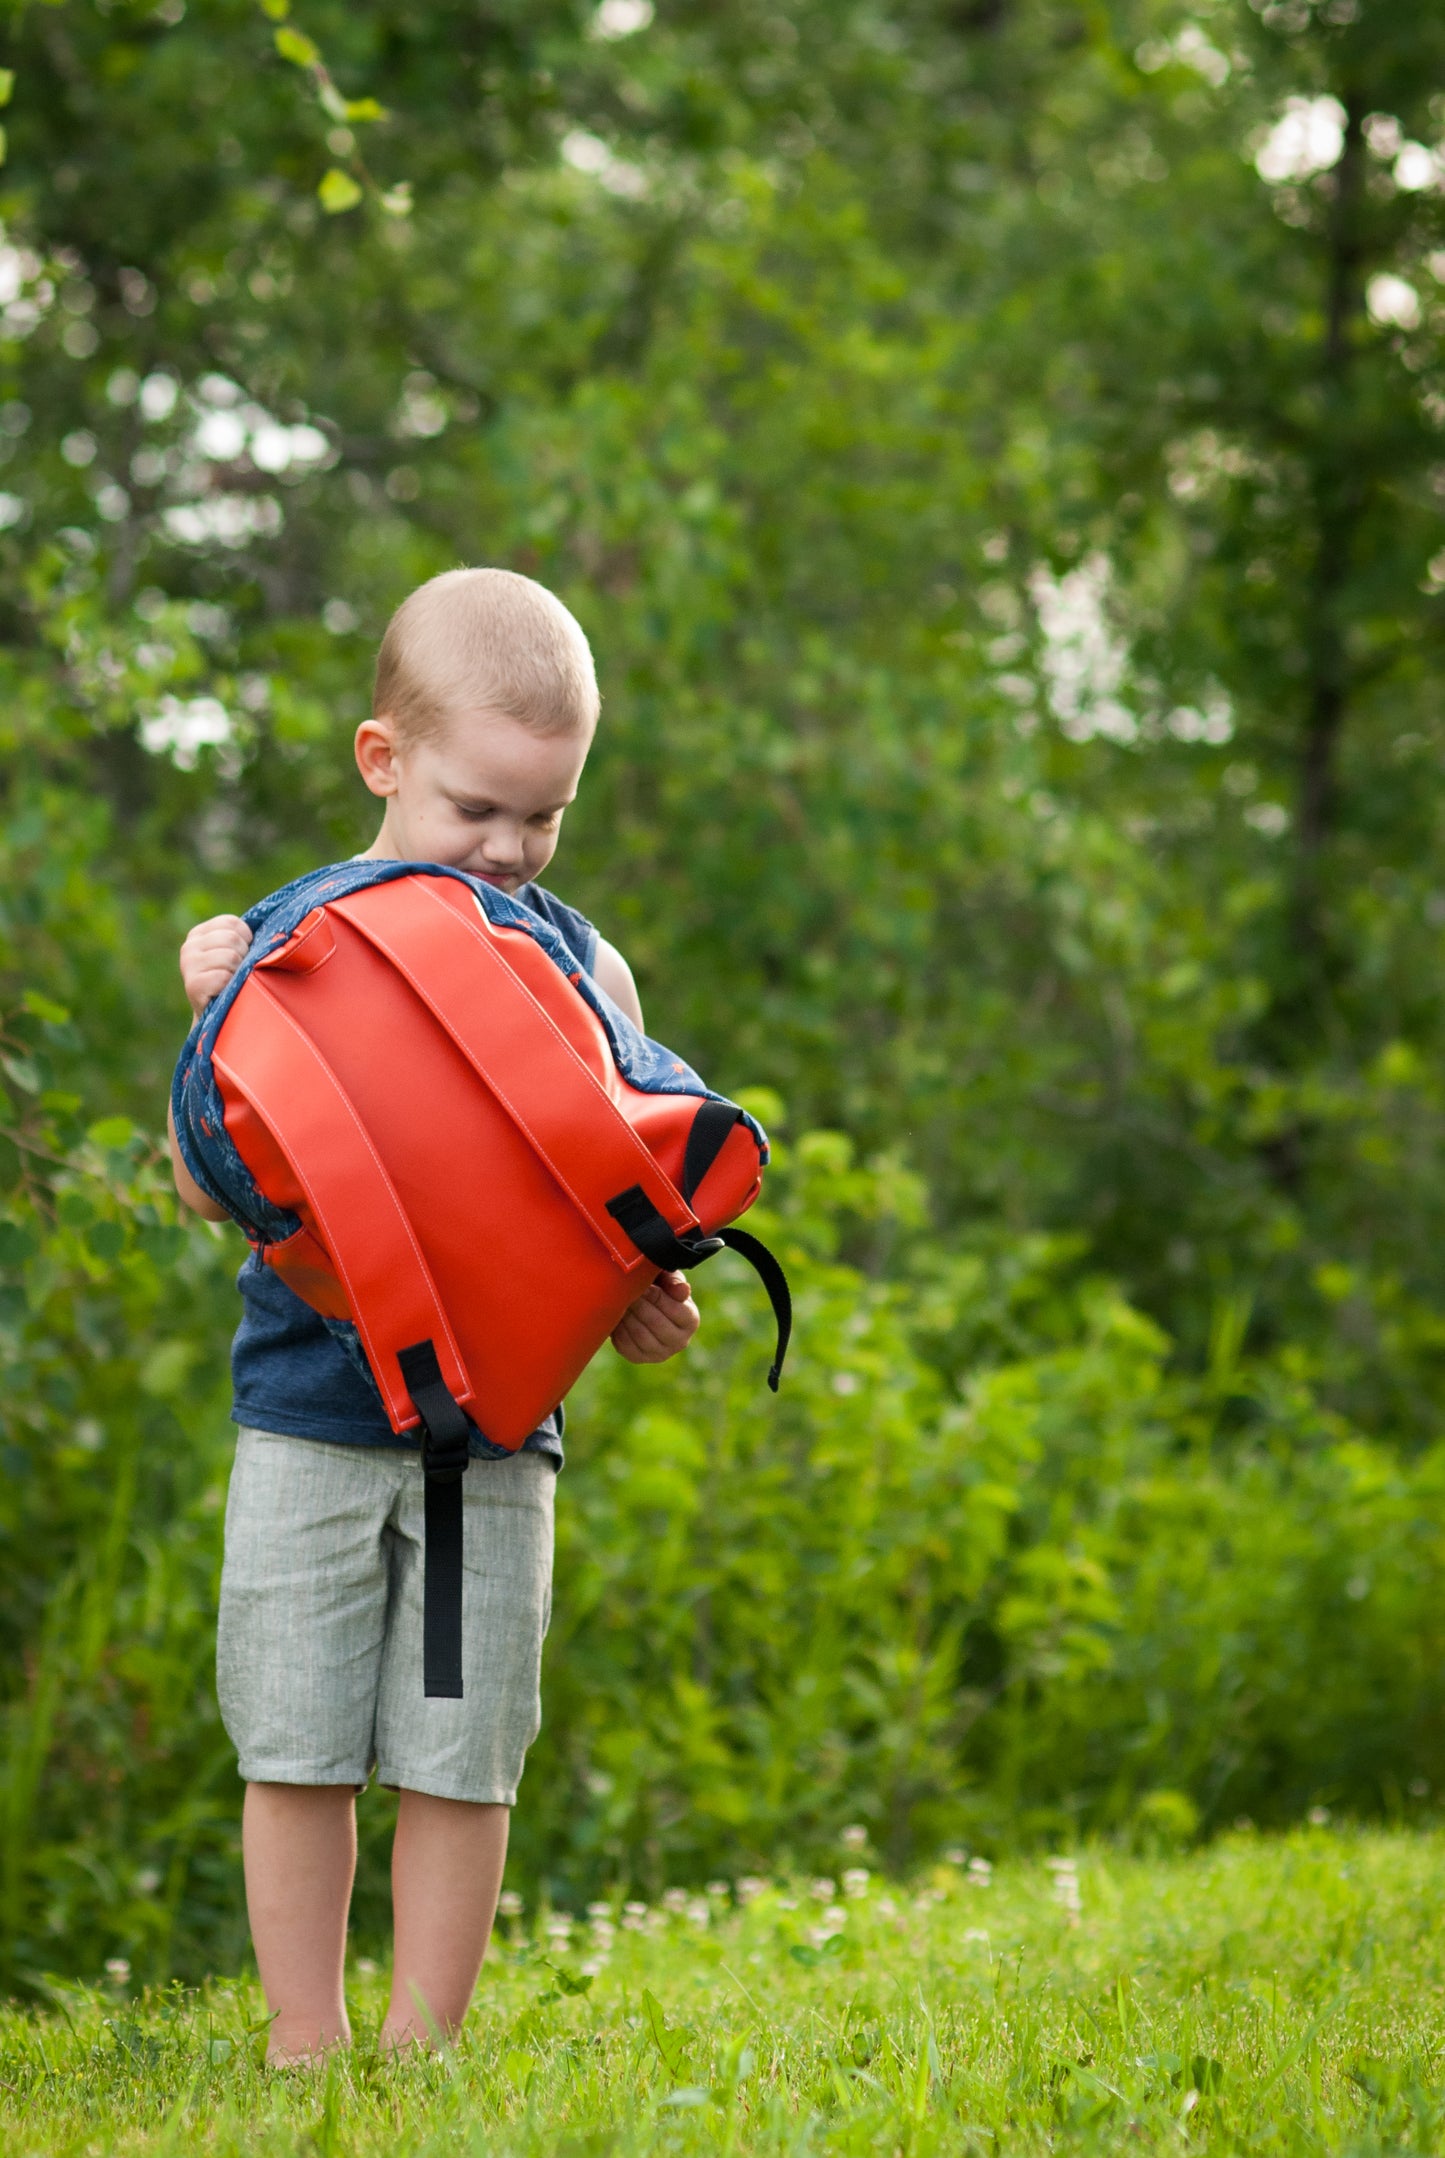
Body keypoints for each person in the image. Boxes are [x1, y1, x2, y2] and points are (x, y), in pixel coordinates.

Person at [167, 567, 700, 2062]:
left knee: (462, 1755)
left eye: (545, 816)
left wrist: (638, 1303)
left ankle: (423, 2046)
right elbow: (212, 1185)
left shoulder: (581, 967)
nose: (510, 849)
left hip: (492, 1431)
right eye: (476, 809)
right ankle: (303, 2041)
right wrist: (208, 1015)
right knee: (295, 1742)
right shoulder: (291, 940)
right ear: (382, 761)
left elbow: (617, 1194)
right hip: (308, 1415)